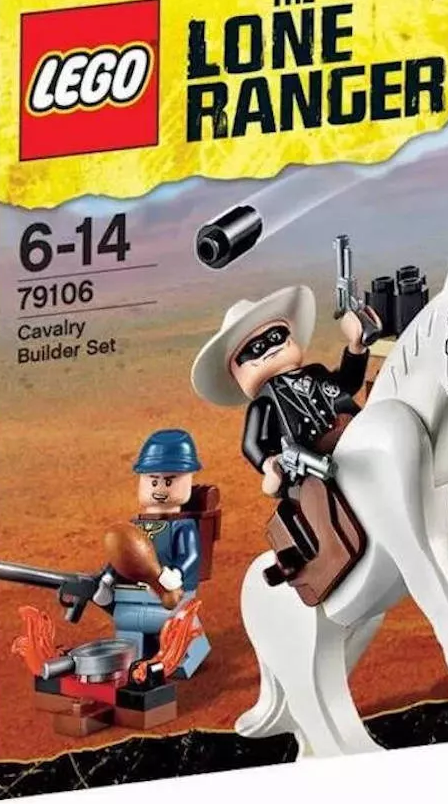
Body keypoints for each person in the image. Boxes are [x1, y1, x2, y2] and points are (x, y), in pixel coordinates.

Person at [191, 286, 372, 496]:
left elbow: (348, 383)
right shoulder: (264, 403)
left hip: (358, 437)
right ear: (238, 372)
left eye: (277, 336)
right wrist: (269, 465)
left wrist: (356, 347)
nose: (272, 347)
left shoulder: (317, 373)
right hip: (314, 471)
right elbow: (253, 444)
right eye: (256, 348)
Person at [107, 428, 211, 679]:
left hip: (172, 594)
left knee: (174, 623)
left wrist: (177, 574)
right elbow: (123, 554)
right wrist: (108, 578)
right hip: (133, 596)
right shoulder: (135, 527)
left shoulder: (182, 526)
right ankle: (133, 658)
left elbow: (190, 556)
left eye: (169, 481)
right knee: (128, 623)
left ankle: (184, 654)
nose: (160, 489)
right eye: (153, 481)